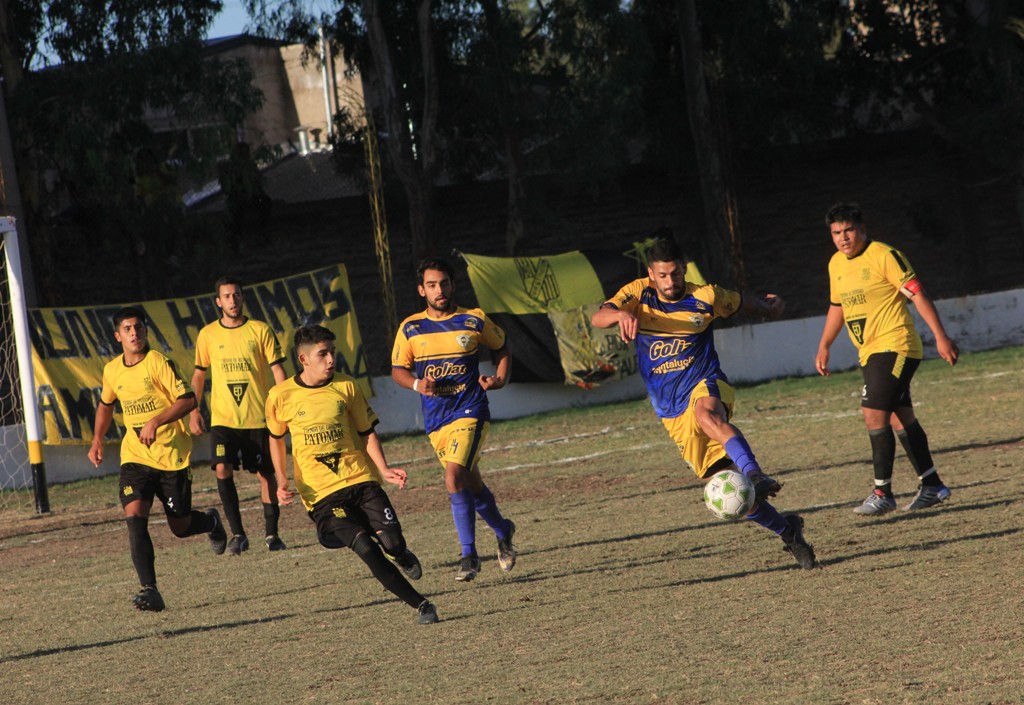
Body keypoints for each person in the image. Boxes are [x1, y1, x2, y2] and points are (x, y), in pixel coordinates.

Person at [591, 239, 818, 570]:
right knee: (735, 494)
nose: (670, 282)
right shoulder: (639, 293)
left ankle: (755, 473)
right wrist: (620, 314)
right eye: (663, 276)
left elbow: (740, 303)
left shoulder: (705, 297)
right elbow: (600, 315)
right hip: (670, 409)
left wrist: (769, 308)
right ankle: (789, 532)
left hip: (705, 383)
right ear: (652, 274)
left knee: (706, 414)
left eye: (675, 274)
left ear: (683, 269)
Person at [267, 325, 439, 625]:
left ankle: (400, 553)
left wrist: (383, 469)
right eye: (323, 354)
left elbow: (366, 432)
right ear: (303, 359)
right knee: (367, 548)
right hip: (320, 494)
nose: (331, 359)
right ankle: (422, 605)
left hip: (360, 480)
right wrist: (281, 478)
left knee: (392, 544)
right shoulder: (280, 396)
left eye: (332, 352)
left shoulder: (347, 386)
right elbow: (276, 438)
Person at [815, 202, 958, 514]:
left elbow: (916, 293)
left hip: (896, 345)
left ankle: (882, 492)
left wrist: (940, 335)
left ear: (863, 229)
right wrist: (825, 344)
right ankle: (932, 485)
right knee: (898, 415)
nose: (843, 238)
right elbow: (837, 306)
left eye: (849, 230)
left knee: (873, 412)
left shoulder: (884, 255)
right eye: (836, 233)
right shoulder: (836, 264)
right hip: (869, 351)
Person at [88, 307, 228, 612]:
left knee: (180, 526)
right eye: (127, 329)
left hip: (171, 456)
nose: (134, 333)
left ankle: (212, 522)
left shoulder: (159, 362)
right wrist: (97, 439)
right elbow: (105, 405)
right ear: (117, 336)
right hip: (135, 457)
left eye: (139, 327)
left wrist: (155, 422)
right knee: (134, 517)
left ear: (146, 331)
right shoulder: (112, 370)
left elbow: (188, 399)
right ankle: (150, 590)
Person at [391, 257, 517, 582]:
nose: (439, 290)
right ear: (422, 290)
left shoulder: (473, 319)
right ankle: (503, 530)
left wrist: (499, 380)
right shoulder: (410, 328)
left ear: (452, 284)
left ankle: (468, 555)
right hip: (436, 421)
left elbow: (502, 348)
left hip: (471, 410)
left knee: (452, 477)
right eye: (431, 285)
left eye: (444, 283)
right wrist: (418, 384)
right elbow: (398, 370)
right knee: (470, 483)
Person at [191, 277, 289, 555]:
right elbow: (199, 375)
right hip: (224, 419)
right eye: (226, 296)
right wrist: (194, 410)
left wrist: (285, 404)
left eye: (236, 295)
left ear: (242, 298)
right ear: (218, 302)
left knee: (265, 474)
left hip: (258, 416)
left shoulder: (260, 330)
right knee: (222, 468)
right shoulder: (208, 335)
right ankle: (238, 534)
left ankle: (272, 535)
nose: (232, 301)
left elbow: (277, 370)